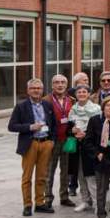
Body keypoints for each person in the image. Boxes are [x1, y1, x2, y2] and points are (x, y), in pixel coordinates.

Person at [8, 78, 57, 216]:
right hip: (30, 143)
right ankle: (27, 205)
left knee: (42, 176)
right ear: (28, 90)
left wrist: (52, 141)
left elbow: (53, 124)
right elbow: (12, 126)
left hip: (45, 143)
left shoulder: (47, 105)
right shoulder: (21, 106)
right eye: (33, 88)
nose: (36, 91)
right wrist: (30, 127)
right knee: (27, 177)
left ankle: (40, 203)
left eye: (39, 88)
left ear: (42, 90)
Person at [43, 74, 76, 208]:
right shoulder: (46, 101)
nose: (60, 85)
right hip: (53, 140)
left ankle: (64, 196)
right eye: (57, 82)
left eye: (63, 82)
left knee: (66, 170)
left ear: (67, 85)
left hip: (68, 140)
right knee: (49, 170)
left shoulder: (72, 100)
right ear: (52, 85)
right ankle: (47, 198)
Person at [68, 85, 101, 212]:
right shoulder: (73, 109)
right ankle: (85, 201)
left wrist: (85, 134)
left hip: (90, 146)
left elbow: (99, 129)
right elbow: (68, 128)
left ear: (89, 94)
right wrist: (72, 130)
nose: (81, 94)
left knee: (91, 176)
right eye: (79, 92)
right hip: (77, 146)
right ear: (75, 95)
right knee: (80, 175)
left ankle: (98, 203)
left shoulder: (96, 109)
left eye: (84, 92)